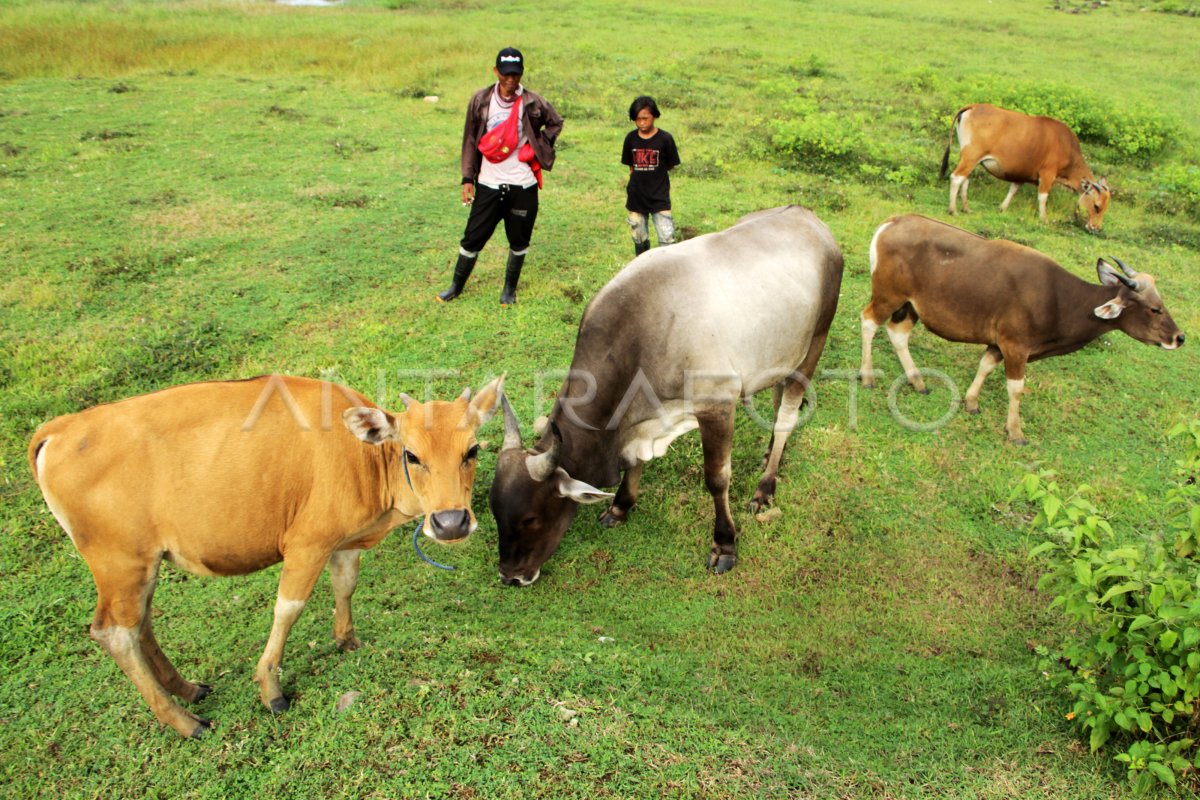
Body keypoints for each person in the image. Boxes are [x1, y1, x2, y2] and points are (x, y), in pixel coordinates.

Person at [436, 47, 564, 306]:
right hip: (489, 182)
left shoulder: (532, 101)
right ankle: (455, 287)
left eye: (515, 74)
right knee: (473, 237)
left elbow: (555, 122)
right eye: (505, 73)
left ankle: (509, 290)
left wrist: (538, 144)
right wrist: (467, 178)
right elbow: (470, 140)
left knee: (519, 239)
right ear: (496, 72)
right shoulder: (481, 100)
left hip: (523, 184)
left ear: (521, 73)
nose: (510, 79)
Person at [621, 96, 680, 257]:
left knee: (667, 238)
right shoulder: (630, 139)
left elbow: (670, 164)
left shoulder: (665, 139)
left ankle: (668, 268)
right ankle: (642, 264)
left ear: (654, 116)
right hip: (636, 196)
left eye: (645, 118)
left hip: (659, 196)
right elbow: (631, 166)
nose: (642, 123)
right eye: (637, 119)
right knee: (639, 237)